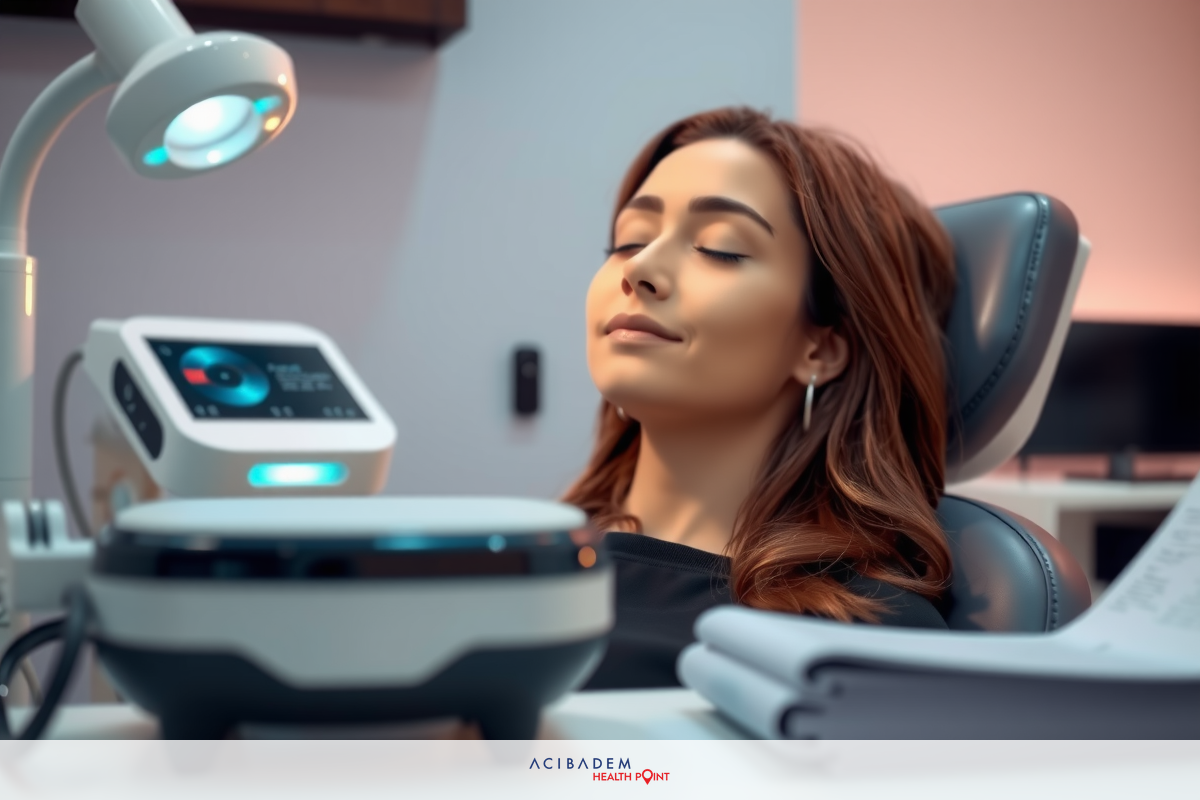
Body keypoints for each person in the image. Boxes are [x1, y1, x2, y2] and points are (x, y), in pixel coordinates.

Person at [564, 107, 957, 689]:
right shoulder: (520, 559)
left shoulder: (853, 639)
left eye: (721, 248)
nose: (641, 267)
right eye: (629, 241)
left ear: (821, 347)